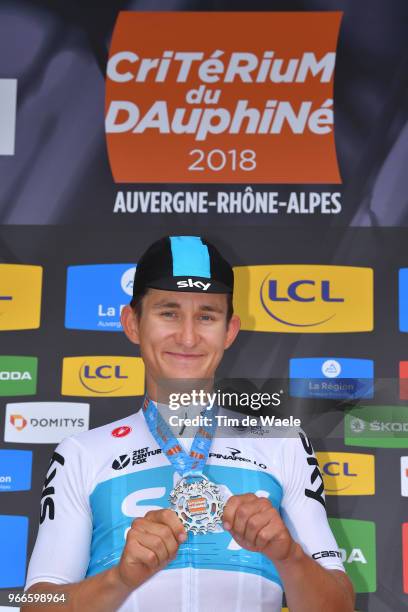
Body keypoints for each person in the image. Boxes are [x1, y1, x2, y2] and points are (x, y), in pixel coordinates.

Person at [23, 235, 355, 611]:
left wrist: (289, 556)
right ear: (132, 323)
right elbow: (37, 603)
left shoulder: (283, 443)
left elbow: (339, 604)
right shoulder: (81, 453)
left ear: (230, 331)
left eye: (207, 316)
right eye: (169, 312)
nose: (187, 336)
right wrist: (120, 578)